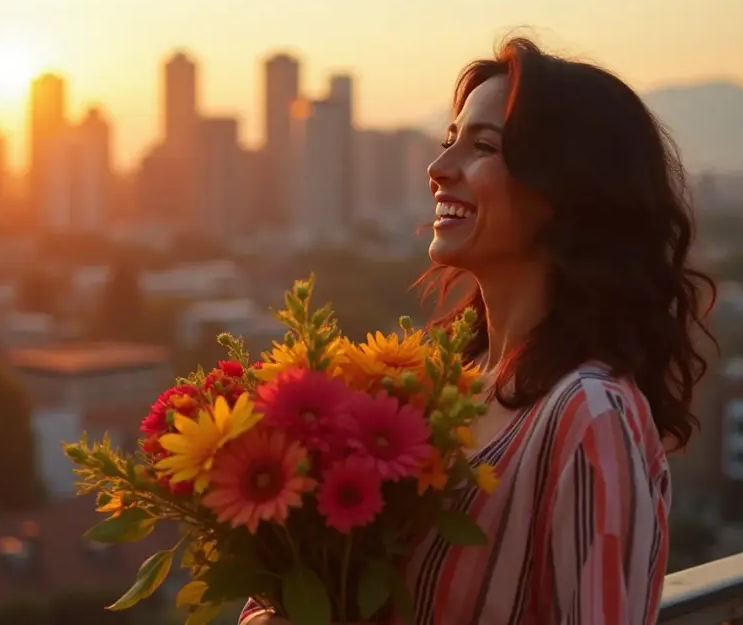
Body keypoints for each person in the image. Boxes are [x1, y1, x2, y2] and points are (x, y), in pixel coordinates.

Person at [240, 36, 715, 625]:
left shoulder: (589, 415)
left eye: (483, 146)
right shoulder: (440, 393)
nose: (439, 170)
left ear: (566, 191)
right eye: (448, 143)